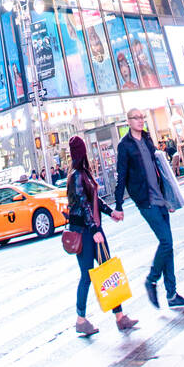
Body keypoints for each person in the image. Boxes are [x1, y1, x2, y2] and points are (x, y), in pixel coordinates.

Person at [115, 108, 184, 310]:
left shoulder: (148, 139)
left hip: (160, 198)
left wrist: (169, 199)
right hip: (145, 200)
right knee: (166, 242)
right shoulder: (125, 146)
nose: (141, 121)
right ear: (128, 121)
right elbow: (121, 175)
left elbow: (159, 169)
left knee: (168, 245)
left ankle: (172, 294)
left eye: (142, 117)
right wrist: (118, 205)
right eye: (137, 118)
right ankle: (151, 280)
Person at [65, 135, 138, 337]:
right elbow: (83, 204)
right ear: (82, 152)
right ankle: (80, 319)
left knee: (108, 271)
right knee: (87, 275)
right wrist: (95, 230)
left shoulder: (83, 173)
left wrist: (110, 213)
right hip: (85, 232)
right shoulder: (77, 176)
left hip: (94, 229)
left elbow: (94, 200)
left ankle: (120, 316)